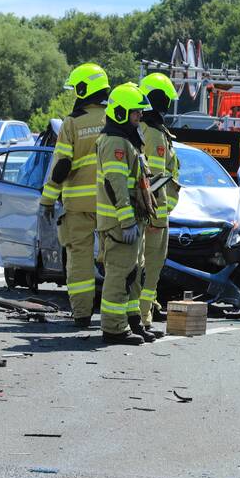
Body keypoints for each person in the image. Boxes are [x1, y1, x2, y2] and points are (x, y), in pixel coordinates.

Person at [39, 63, 109, 328]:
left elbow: (61, 166)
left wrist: (47, 200)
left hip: (78, 205)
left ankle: (82, 314)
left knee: (79, 259)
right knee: (114, 257)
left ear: (83, 88)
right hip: (110, 205)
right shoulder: (116, 118)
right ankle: (118, 312)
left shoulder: (72, 123)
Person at [95, 83, 154, 345]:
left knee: (134, 273)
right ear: (120, 113)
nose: (139, 117)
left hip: (130, 221)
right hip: (121, 223)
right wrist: (127, 220)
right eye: (135, 113)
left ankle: (131, 321)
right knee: (119, 274)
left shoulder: (126, 140)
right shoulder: (115, 142)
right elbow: (115, 184)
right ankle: (113, 328)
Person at [138, 72, 181, 336]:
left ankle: (146, 310)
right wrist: (155, 217)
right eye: (165, 99)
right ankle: (144, 318)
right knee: (151, 264)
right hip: (155, 215)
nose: (168, 104)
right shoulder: (152, 134)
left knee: (147, 264)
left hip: (153, 213)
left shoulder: (150, 129)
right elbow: (153, 180)